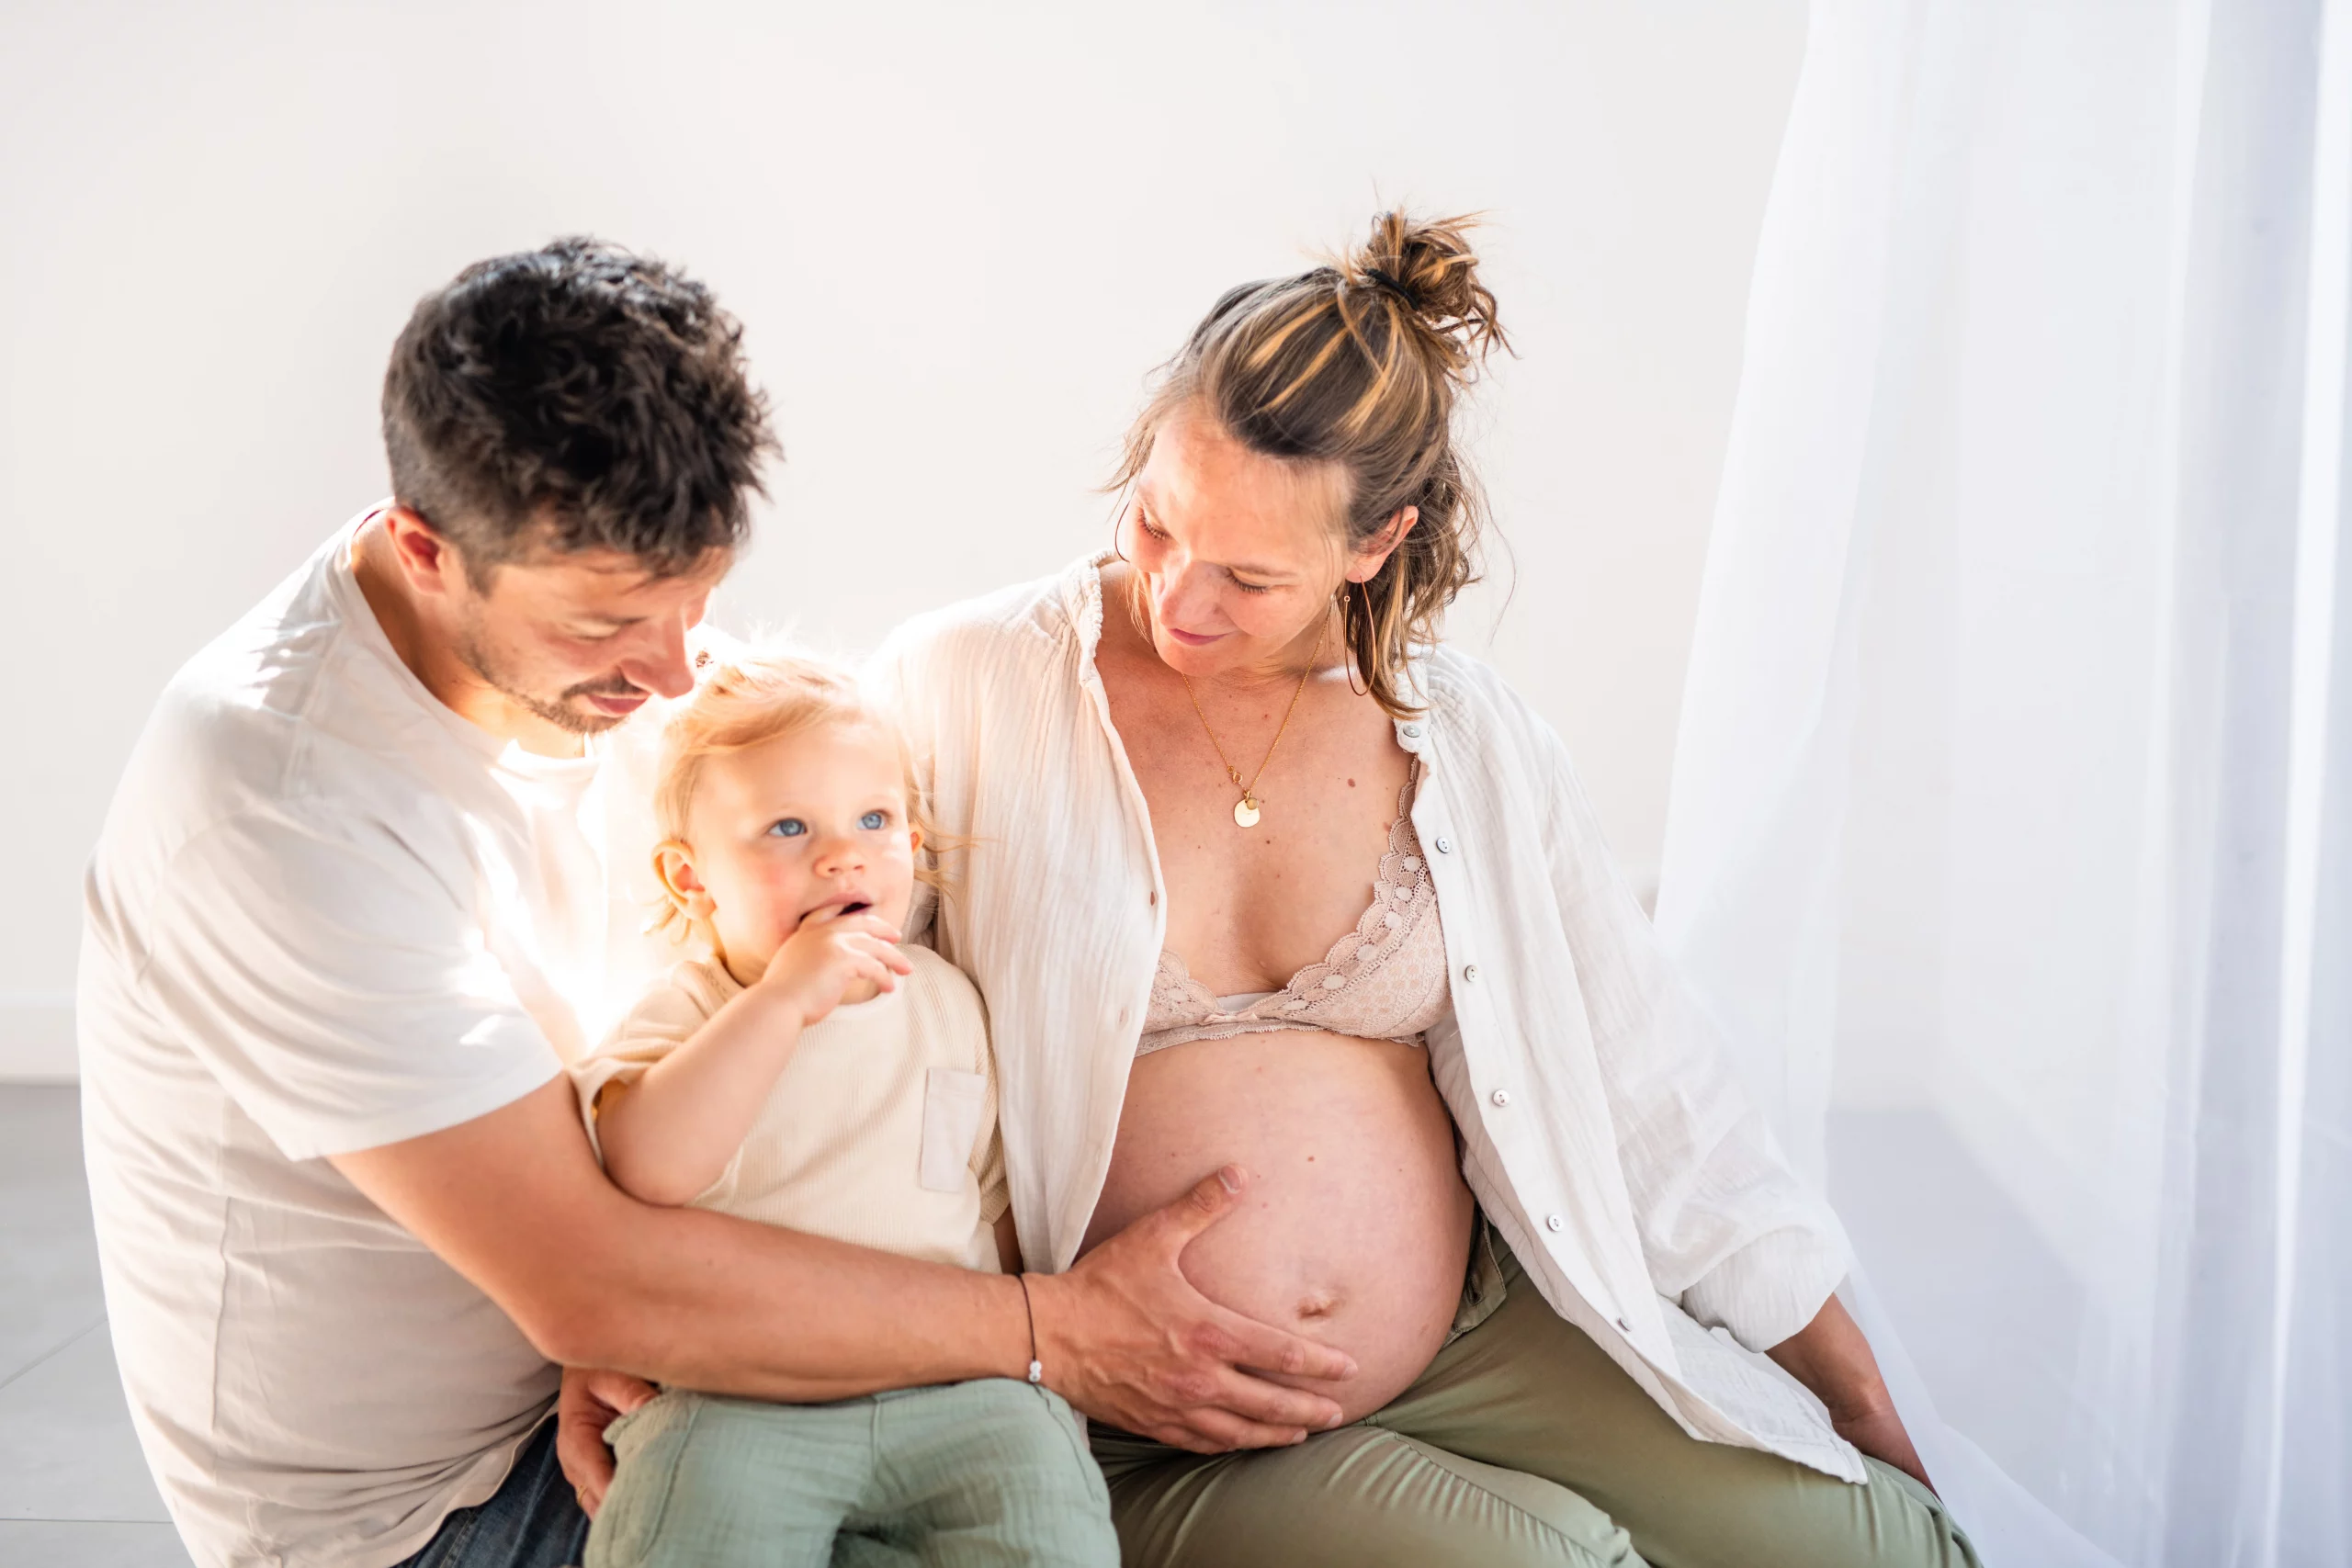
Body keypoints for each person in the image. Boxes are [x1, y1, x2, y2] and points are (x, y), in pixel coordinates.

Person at [77, 237, 1350, 1568]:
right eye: (610, 622)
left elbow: (602, 1251)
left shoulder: (640, 681)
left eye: (703, 593)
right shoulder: (280, 799)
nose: (680, 667)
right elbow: (585, 1275)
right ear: (425, 548)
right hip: (436, 1511)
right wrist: (1056, 1329)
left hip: (630, 1364)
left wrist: (662, 1318)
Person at [863, 211, 1984, 1566]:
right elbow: (796, 993)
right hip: (1142, 1404)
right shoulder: (967, 684)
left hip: (1473, 1329)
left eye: (1248, 575)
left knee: (1887, 1546)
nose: (1175, 595)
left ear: (1375, 541)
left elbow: (1653, 1082)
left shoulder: (1462, 732)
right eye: (1156, 523)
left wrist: (1858, 1387)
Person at [572, 650, 1116, 1567]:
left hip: (955, 1387)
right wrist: (780, 1003)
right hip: (735, 1396)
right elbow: (644, 1167)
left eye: (875, 818)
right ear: (690, 879)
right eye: (786, 827)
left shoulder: (949, 1002)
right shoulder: (694, 1007)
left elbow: (989, 1205)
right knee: (693, 1529)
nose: (841, 853)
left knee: (1044, 1509)